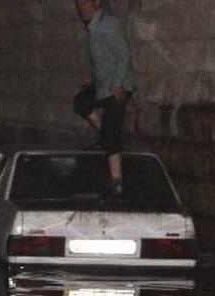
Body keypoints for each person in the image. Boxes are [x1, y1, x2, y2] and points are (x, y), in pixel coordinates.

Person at [72, 0, 136, 196]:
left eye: (84, 3)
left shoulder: (108, 23)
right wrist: (94, 76)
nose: (80, 8)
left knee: (111, 137)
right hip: (102, 85)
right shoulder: (92, 27)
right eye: (78, 4)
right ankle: (105, 135)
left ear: (95, 3)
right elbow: (104, 57)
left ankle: (117, 182)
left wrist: (117, 83)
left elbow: (124, 54)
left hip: (117, 88)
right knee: (81, 102)